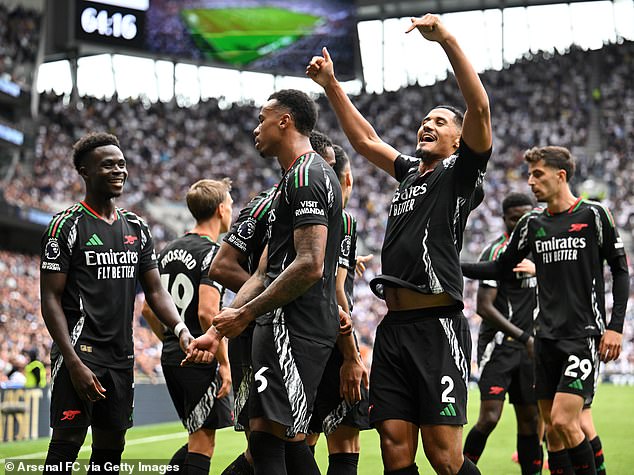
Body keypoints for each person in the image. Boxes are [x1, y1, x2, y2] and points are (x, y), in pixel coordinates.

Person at [307, 13, 492, 475]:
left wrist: (445, 39)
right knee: (394, 450)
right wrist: (331, 84)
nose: (425, 125)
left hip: (437, 326)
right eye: (423, 121)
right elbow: (365, 139)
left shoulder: (460, 174)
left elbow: (480, 108)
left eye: (439, 121)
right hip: (393, 330)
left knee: (445, 456)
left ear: (457, 138)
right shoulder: (411, 172)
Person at [187, 89, 343, 475]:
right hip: (280, 325)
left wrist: (245, 316)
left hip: (296, 325)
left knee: (273, 438)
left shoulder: (307, 174)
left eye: (262, 119)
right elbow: (262, 273)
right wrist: (221, 329)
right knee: (274, 438)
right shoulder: (289, 181)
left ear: (285, 120)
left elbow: (310, 264)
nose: (257, 128)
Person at [462, 146, 628, 475]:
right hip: (545, 340)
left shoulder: (594, 215)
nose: (530, 181)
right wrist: (453, 265)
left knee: (567, 422)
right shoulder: (531, 224)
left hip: (581, 336)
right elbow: (499, 267)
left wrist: (616, 326)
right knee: (551, 430)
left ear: (560, 175)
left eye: (537, 174)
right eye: (529, 175)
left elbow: (620, 271)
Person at [39, 132, 192, 474]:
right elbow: (49, 298)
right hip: (80, 354)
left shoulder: (136, 227)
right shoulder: (65, 226)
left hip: (121, 359)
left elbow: (155, 290)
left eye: (122, 164)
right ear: (84, 171)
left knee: (110, 451)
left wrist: (179, 328)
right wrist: (72, 360)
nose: (118, 171)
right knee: (65, 447)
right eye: (108, 165)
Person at [216, 130, 335, 475]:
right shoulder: (269, 202)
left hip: (301, 328)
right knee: (270, 436)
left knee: (290, 436)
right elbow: (224, 266)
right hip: (262, 328)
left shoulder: (329, 212)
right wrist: (277, 297)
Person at [141, 178, 235, 475]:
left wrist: (173, 339)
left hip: (172, 355)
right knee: (202, 444)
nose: (232, 211)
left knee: (196, 439)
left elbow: (147, 308)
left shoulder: (168, 250)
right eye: (231, 205)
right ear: (221, 210)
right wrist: (225, 362)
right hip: (200, 358)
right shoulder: (213, 254)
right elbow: (208, 313)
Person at [462, 192, 543, 475]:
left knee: (530, 420)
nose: (521, 222)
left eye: (526, 217)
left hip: (531, 349)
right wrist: (524, 337)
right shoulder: (497, 252)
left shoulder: (542, 251)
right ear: (504, 219)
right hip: (499, 347)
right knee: (489, 418)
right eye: (514, 218)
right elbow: (484, 307)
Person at [306, 144, 370, 474]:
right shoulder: (341, 218)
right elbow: (335, 292)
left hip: (294, 342)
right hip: (328, 339)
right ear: (346, 177)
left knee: (299, 441)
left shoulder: (282, 205)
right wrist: (352, 355)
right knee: (345, 441)